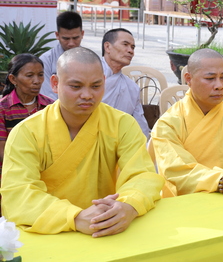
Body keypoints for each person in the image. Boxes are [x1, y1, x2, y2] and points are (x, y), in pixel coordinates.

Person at [0, 47, 163, 236]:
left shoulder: (121, 124)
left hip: (106, 226)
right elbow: (18, 194)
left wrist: (127, 206)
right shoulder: (27, 132)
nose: (87, 95)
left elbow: (142, 175)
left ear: (104, 82)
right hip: (48, 230)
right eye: (76, 87)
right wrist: (75, 217)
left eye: (95, 86)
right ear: (55, 84)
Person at [151, 49, 223, 198]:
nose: (219, 85)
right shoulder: (168, 124)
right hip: (187, 203)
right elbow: (177, 171)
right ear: (189, 79)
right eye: (210, 78)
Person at [0, 54, 54, 181]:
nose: (37, 81)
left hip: (45, 175)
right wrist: (29, 168)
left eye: (40, 75)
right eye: (29, 76)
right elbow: (2, 150)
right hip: (12, 175)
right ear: (13, 79)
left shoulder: (50, 107)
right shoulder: (3, 109)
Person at [101, 28, 150, 138]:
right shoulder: (88, 75)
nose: (130, 51)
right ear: (107, 47)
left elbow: (140, 126)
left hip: (118, 142)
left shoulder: (132, 88)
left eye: (132, 47)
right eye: (125, 45)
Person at [40, 10, 84, 99]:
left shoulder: (91, 60)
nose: (71, 43)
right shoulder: (46, 60)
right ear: (57, 35)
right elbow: (47, 96)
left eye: (75, 38)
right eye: (66, 39)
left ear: (82, 34)